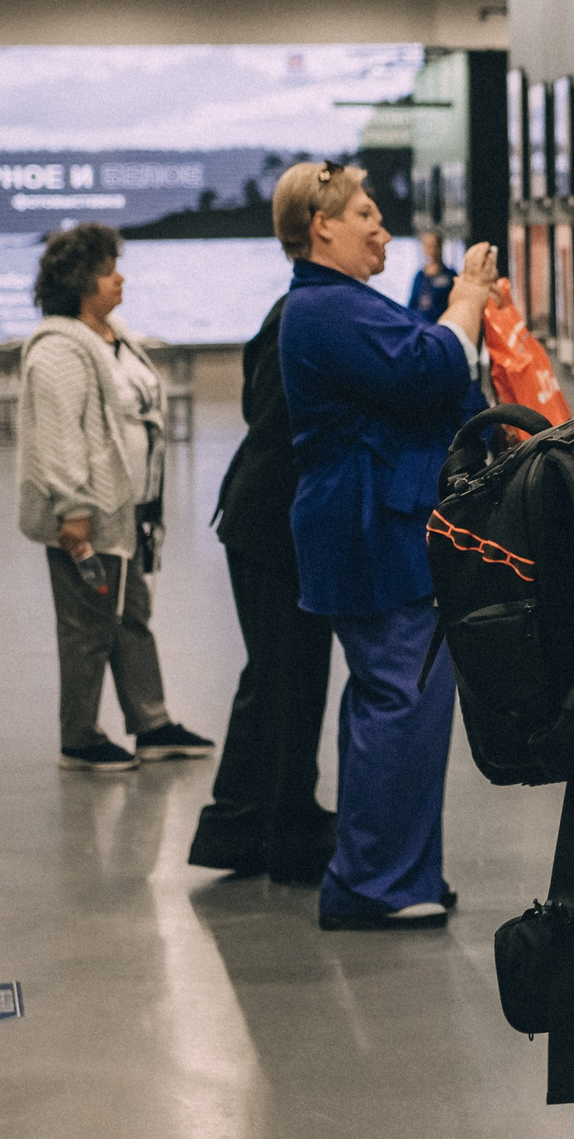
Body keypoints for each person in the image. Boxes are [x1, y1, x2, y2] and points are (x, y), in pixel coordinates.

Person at [273, 162, 497, 929]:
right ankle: (379, 882)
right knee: (403, 696)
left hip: (382, 521)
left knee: (399, 698)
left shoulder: (345, 304)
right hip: (372, 525)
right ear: (319, 226)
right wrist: (465, 301)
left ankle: (397, 870)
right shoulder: (328, 307)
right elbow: (429, 368)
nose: (382, 227)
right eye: (365, 213)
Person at [14, 224, 211, 773]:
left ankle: (151, 723)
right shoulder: (58, 349)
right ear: (81, 282)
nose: (119, 277)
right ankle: (77, 737)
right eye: (107, 271)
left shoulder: (112, 334)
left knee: (130, 616)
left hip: (128, 514)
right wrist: (72, 509)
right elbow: (59, 436)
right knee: (86, 629)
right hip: (87, 517)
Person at [186, 288, 338, 882]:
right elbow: (277, 418)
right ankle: (270, 829)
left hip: (266, 518)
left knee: (282, 674)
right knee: (285, 675)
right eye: (366, 217)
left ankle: (254, 821)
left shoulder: (298, 309)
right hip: (270, 521)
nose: (381, 233)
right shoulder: (304, 315)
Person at [406, 217, 456, 323]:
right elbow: (412, 304)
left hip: (442, 326)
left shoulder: (450, 276)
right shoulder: (420, 276)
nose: (430, 250)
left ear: (440, 247)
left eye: (433, 246)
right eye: (427, 246)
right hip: (421, 326)